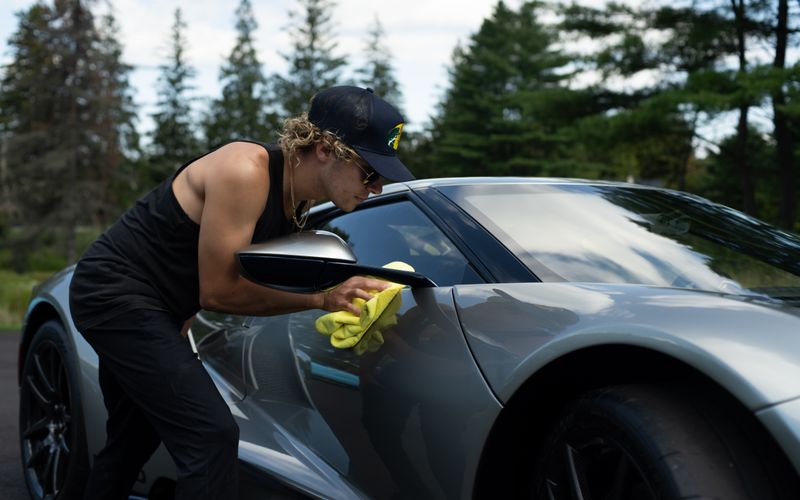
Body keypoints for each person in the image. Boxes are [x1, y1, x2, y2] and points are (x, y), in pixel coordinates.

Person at [68, 86, 414, 499]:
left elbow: (191, 264)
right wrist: (322, 299)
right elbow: (218, 293)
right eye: (369, 172)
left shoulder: (296, 202)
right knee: (210, 434)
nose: (376, 188)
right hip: (112, 291)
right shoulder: (245, 170)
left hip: (158, 308)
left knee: (133, 440)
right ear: (325, 148)